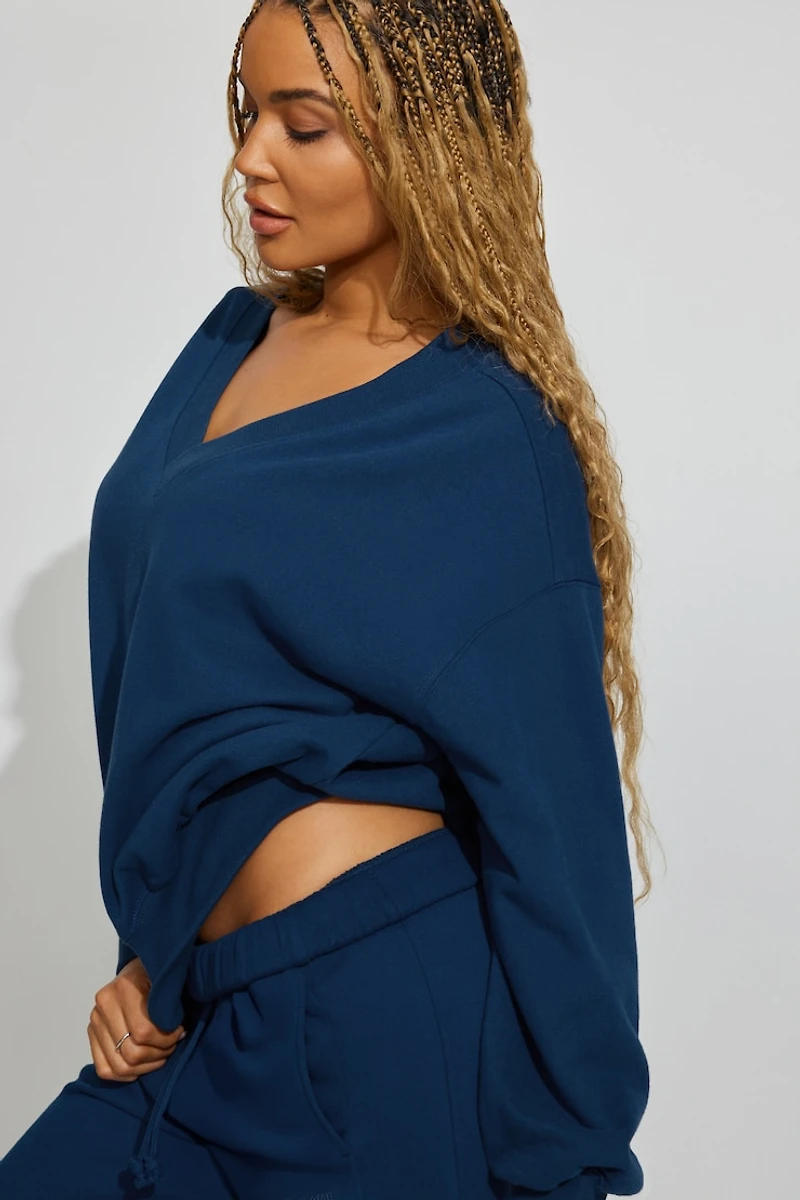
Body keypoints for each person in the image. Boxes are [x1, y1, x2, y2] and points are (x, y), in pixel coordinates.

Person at [0, 1, 657, 1197]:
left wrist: (570, 1156)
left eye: (303, 126)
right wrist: (155, 949)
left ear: (427, 144)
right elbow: (185, 684)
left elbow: (553, 820)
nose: (249, 158)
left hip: (373, 1011)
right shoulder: (229, 339)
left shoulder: (486, 432)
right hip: (191, 1007)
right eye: (249, 113)